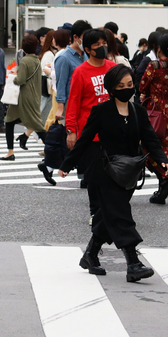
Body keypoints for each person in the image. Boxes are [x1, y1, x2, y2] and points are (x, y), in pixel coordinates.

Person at [58, 64, 168, 281]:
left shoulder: (138, 111)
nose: (126, 89)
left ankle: (90, 255)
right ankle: (133, 263)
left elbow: (150, 138)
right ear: (111, 88)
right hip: (103, 170)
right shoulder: (101, 111)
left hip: (127, 172)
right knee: (120, 214)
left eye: (129, 85)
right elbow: (85, 140)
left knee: (106, 215)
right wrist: (67, 164)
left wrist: (162, 160)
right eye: (121, 86)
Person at [64, 29, 117, 214]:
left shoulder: (113, 68)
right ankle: (96, 213)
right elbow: (74, 102)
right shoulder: (80, 72)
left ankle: (111, 211)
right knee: (94, 178)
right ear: (88, 49)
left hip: (114, 131)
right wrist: (71, 130)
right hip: (91, 134)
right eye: (97, 45)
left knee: (115, 176)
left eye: (104, 43)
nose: (102, 47)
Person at [139, 33, 168, 204]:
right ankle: (167, 178)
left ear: (159, 48)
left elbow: (143, 84)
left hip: (156, 110)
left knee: (150, 145)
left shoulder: (154, 65)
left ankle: (164, 177)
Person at [1, 34, 48, 162]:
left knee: (36, 125)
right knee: (13, 121)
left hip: (23, 98)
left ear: (23, 47)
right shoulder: (36, 60)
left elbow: (20, 80)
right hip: (33, 96)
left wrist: (14, 77)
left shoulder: (25, 61)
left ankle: (54, 149)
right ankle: (12, 150)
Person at [53, 21, 90, 121]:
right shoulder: (64, 57)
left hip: (85, 101)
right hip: (71, 103)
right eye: (84, 37)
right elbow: (61, 83)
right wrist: (60, 108)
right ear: (75, 37)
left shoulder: (86, 55)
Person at [39, 30, 58, 126]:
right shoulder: (49, 54)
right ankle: (36, 131)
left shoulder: (49, 53)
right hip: (47, 85)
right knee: (44, 110)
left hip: (46, 85)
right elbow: (44, 71)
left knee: (45, 109)